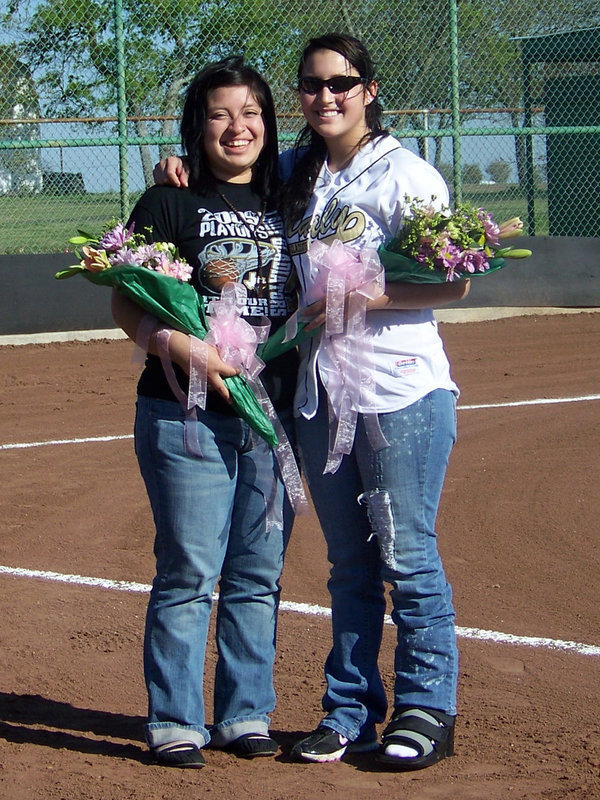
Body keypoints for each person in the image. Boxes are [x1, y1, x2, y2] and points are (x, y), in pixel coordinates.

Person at [154, 33, 469, 771]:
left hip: (398, 390)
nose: (325, 96)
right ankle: (350, 710)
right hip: (318, 396)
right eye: (311, 85)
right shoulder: (299, 169)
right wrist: (176, 165)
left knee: (406, 554)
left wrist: (369, 295)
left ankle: (427, 707)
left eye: (341, 83)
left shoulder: (407, 175)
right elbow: (231, 164)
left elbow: (455, 282)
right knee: (348, 564)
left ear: (369, 90)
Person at [111, 56, 303, 768]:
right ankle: (175, 721)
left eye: (250, 113)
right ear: (198, 125)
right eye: (220, 114)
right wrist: (178, 345)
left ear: (268, 124)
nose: (237, 127)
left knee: (257, 572)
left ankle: (245, 713)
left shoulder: (292, 197)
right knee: (190, 571)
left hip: (273, 412)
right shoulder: (168, 201)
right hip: (184, 412)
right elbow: (125, 299)